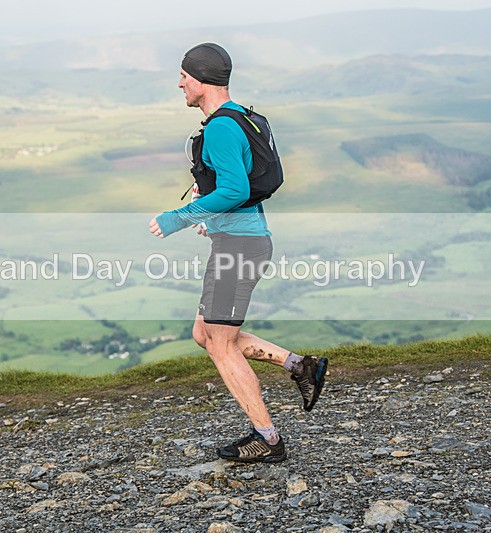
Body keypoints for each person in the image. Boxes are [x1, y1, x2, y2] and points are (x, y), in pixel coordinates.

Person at [149, 43, 328, 463]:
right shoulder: (238, 119)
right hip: (239, 242)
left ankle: (267, 440)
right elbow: (233, 186)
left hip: (240, 248)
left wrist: (179, 217)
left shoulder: (221, 127)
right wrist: (209, 209)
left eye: (184, 77)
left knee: (222, 345)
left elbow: (236, 189)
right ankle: (301, 367)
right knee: (206, 335)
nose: (179, 84)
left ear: (201, 79)